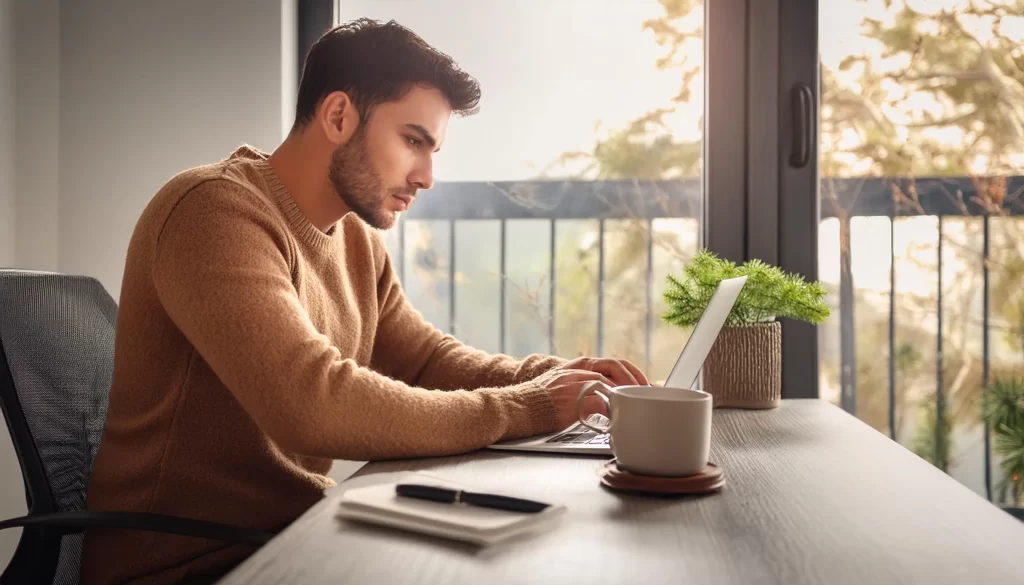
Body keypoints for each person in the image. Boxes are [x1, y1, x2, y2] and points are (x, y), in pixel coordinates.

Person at [80, 17, 649, 585]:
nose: (427, 176)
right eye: (412, 141)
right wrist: (530, 405)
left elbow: (427, 363)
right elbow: (312, 405)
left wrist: (558, 378)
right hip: (191, 565)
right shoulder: (212, 212)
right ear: (337, 116)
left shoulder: (356, 243)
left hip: (298, 540)